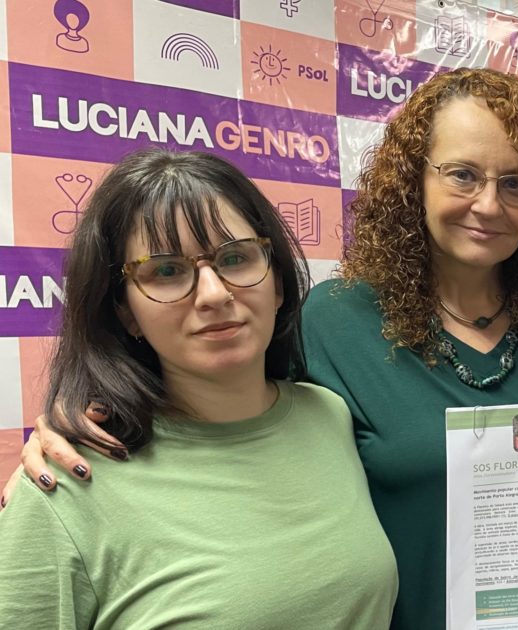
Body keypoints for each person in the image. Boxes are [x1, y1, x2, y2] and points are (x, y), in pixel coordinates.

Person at [7, 68, 518, 630]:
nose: (488, 203)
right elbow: (215, 393)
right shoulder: (334, 319)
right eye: (462, 175)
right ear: (412, 181)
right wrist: (74, 422)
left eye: (515, 183)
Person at [0, 149, 398, 627]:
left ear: (276, 282)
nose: (213, 294)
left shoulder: (328, 415)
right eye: (166, 270)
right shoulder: (66, 483)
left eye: (235, 258)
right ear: (125, 312)